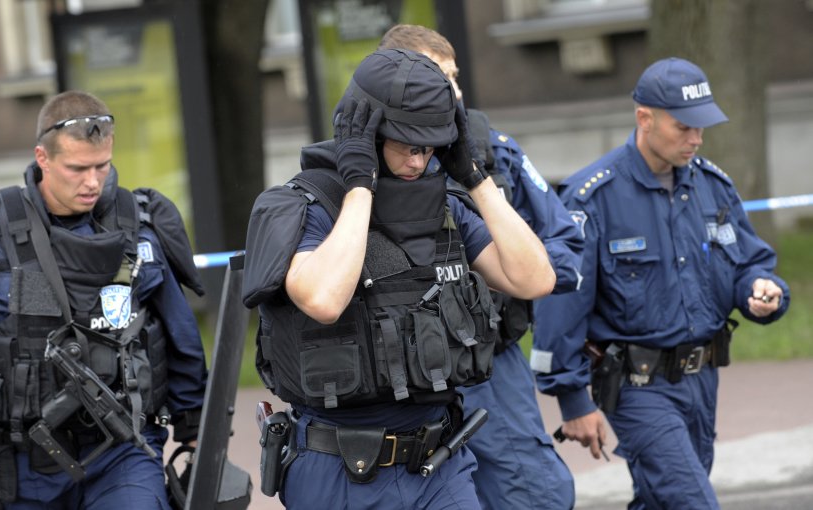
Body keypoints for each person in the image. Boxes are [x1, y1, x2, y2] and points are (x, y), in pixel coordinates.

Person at [243, 48, 555, 509]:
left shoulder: (442, 204)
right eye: (408, 146)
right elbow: (324, 300)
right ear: (369, 135)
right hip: (343, 470)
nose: (419, 162)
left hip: (439, 465)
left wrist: (474, 178)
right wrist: (358, 187)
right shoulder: (300, 205)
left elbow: (534, 280)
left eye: (429, 148)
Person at [0, 90, 208, 509]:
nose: (92, 181)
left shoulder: (138, 226)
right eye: (77, 168)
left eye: (102, 166)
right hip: (25, 461)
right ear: (43, 158)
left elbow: (180, 340)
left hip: (125, 451)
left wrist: (199, 439)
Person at [531, 57, 790, 509]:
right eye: (683, 127)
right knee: (692, 503)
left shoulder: (713, 186)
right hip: (638, 388)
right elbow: (561, 305)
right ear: (644, 118)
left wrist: (762, 290)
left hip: (702, 381)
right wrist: (573, 400)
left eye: (702, 128)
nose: (696, 139)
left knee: (661, 501)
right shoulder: (594, 196)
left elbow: (749, 262)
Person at [378, 24, 580, 510]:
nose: (455, 93)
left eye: (455, 78)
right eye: (439, 79)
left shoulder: (494, 151)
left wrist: (495, 271)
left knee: (533, 494)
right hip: (398, 376)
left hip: (487, 363)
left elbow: (564, 250)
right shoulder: (358, 165)